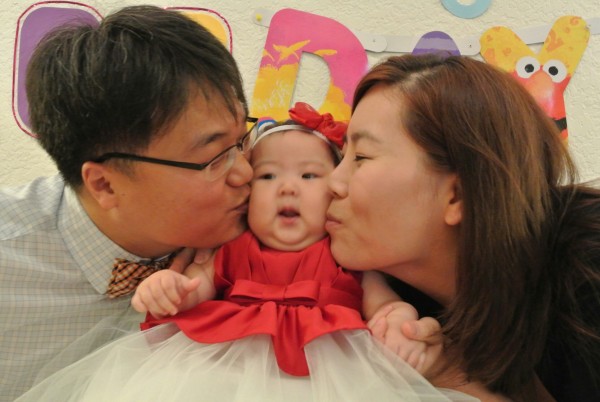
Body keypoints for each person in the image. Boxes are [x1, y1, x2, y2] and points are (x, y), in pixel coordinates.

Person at [15, 103, 476, 402]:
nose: (288, 188)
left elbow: (382, 303)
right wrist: (169, 286)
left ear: (337, 189)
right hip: (219, 370)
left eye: (310, 176)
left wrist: (397, 320)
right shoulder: (230, 249)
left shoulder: (345, 255)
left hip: (332, 373)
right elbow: (196, 288)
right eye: (268, 176)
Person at [1, 5, 254, 400]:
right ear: (104, 185)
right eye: (215, 156)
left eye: (242, 141)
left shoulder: (269, 231)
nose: (246, 173)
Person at [325, 53, 600, 402]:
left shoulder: (588, 266)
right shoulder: (395, 302)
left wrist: (451, 376)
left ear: (458, 195)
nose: (332, 182)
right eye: (341, 156)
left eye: (361, 158)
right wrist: (447, 373)